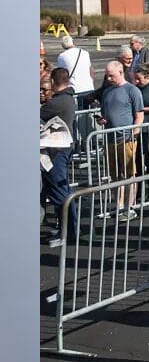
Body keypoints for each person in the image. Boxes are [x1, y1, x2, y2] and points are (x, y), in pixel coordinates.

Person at [100, 61, 145, 217]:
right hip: (110, 139)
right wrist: (102, 120)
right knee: (114, 175)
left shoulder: (132, 91)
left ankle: (130, 206)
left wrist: (134, 133)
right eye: (107, 75)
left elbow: (139, 115)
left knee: (128, 173)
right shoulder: (107, 92)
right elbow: (105, 114)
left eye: (111, 75)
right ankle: (118, 205)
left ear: (121, 72)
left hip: (127, 138)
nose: (109, 78)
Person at [41, 67, 78, 247]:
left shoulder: (57, 103)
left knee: (58, 191)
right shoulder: (68, 99)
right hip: (62, 149)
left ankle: (67, 232)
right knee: (63, 190)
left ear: (53, 83)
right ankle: (68, 229)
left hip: (56, 151)